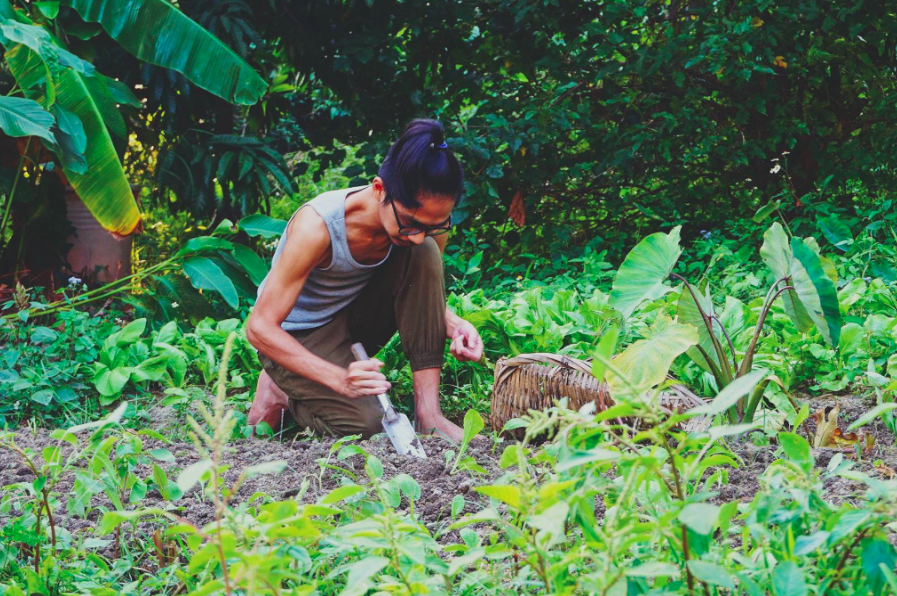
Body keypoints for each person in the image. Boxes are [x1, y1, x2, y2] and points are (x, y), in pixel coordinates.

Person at [245, 119, 483, 442]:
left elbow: (416, 291)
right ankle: (285, 393)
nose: (419, 236)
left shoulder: (420, 232)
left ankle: (430, 414)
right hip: (297, 336)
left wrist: (454, 325)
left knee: (425, 253)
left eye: (434, 225)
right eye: (411, 224)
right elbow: (259, 327)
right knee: (372, 427)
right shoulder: (317, 227)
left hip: (352, 321)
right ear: (379, 189)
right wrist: (339, 379)